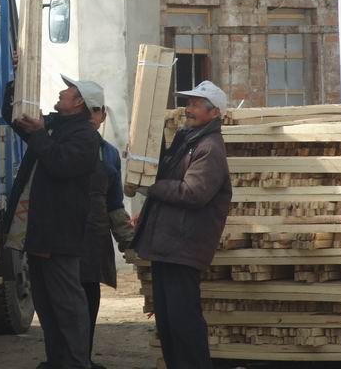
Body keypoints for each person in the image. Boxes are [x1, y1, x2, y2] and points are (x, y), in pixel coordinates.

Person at [1, 74, 102, 369]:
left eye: (68, 90)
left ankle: (76, 362)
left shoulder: (85, 137)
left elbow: (60, 164)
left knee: (67, 305)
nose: (61, 92)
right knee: (46, 305)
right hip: (41, 232)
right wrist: (17, 79)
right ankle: (57, 361)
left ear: (79, 102)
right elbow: (14, 117)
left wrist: (40, 134)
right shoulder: (55, 125)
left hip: (60, 236)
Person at [131, 80, 233, 369]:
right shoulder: (188, 140)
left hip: (183, 248)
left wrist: (151, 187)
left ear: (214, 113)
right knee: (168, 323)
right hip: (168, 246)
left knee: (183, 323)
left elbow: (193, 193)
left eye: (196, 105)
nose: (188, 109)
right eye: (188, 103)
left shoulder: (209, 148)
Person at [79, 106, 134, 369]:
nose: (91, 117)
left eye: (96, 111)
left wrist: (128, 242)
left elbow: (114, 203)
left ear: (103, 117)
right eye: (86, 110)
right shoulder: (62, 148)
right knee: (63, 303)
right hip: (63, 239)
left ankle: (83, 358)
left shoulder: (109, 153)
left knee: (90, 297)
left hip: (94, 238)